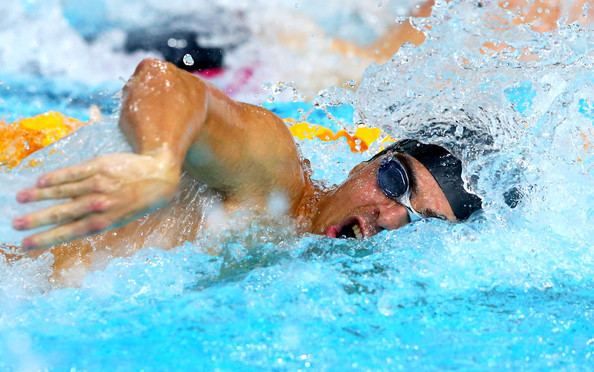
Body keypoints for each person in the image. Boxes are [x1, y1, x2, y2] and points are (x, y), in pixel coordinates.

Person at [7, 59, 482, 280]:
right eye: (395, 182)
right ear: (367, 161)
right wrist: (158, 159)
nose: (389, 218)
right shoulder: (272, 180)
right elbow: (164, 82)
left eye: (422, 223)